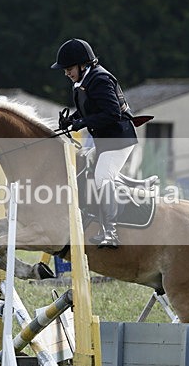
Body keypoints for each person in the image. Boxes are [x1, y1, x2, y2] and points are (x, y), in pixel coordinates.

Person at [52, 38, 138, 249]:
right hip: (105, 140)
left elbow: (111, 113)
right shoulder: (82, 82)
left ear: (83, 64)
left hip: (119, 139)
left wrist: (81, 123)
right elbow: (87, 111)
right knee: (83, 168)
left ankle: (111, 232)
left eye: (69, 68)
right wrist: (71, 120)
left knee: (103, 177)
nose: (66, 73)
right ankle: (91, 217)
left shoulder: (100, 79)